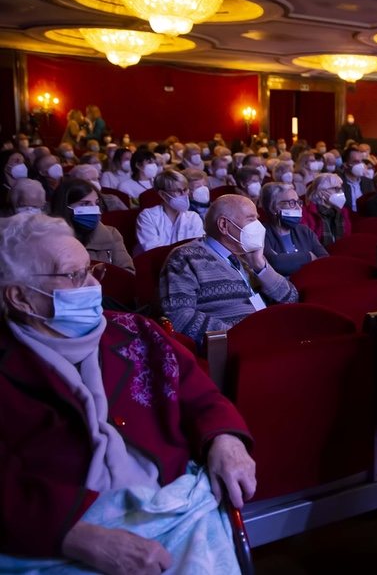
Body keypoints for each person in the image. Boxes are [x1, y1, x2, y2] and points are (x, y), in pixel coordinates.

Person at [0, 213, 255, 571]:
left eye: (92, 270)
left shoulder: (138, 332)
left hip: (171, 500)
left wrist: (226, 441)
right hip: (60, 531)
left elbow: (203, 398)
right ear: (20, 298)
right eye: (74, 276)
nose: (93, 285)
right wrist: (74, 536)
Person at [160, 194, 299, 346]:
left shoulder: (247, 256)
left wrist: (260, 265)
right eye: (251, 219)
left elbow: (291, 298)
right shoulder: (185, 257)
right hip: (237, 349)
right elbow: (179, 316)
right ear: (224, 225)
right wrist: (240, 336)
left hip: (269, 338)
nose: (258, 226)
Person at [51, 179, 134, 273]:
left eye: (97, 203)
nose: (94, 208)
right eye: (85, 204)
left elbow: (128, 272)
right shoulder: (48, 239)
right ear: (66, 207)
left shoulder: (111, 234)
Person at [259, 182, 327, 276]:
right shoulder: (261, 233)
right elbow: (275, 264)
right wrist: (309, 256)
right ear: (273, 208)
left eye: (298, 202)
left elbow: (324, 259)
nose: (299, 208)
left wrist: (289, 261)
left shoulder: (304, 231)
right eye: (292, 203)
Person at [135, 170, 205, 254]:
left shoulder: (193, 217)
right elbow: (153, 252)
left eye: (185, 189)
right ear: (163, 194)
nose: (184, 194)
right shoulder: (147, 216)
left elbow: (199, 249)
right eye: (178, 191)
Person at [302, 172, 352, 246]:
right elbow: (308, 242)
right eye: (335, 188)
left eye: (341, 188)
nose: (341, 192)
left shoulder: (342, 211)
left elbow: (347, 238)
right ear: (321, 193)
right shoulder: (306, 213)